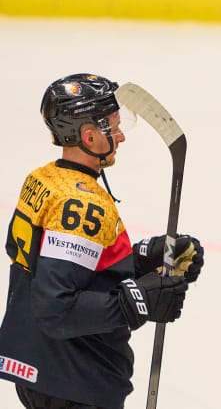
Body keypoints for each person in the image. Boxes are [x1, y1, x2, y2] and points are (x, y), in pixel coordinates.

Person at [0, 73, 204, 408]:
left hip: (44, 371)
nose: (121, 135)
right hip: (75, 380)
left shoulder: (43, 179)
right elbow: (56, 309)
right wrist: (139, 299)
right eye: (113, 125)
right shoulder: (81, 203)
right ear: (89, 136)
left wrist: (141, 258)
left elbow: (41, 261)